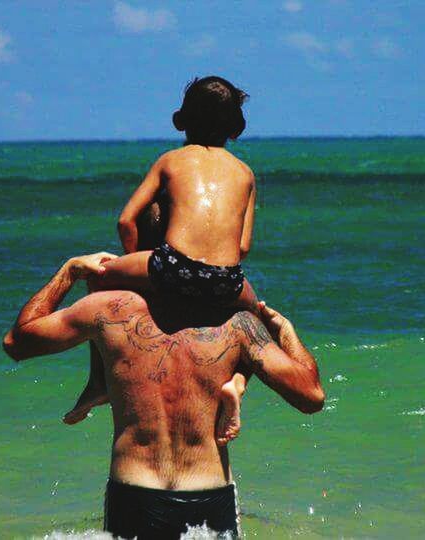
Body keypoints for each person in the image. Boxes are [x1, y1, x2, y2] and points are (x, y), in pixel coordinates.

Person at [2, 252, 325, 539]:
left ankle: (97, 384)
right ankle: (237, 384)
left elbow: (17, 342)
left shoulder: (107, 309)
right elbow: (311, 396)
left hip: (134, 493)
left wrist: (70, 271)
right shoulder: (237, 323)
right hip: (207, 492)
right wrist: (285, 330)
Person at [66, 76, 260, 443]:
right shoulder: (245, 173)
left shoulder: (170, 161)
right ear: (236, 128)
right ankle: (236, 384)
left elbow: (126, 220)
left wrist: (138, 263)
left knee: (100, 275)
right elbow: (243, 246)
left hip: (172, 265)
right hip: (226, 278)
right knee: (256, 319)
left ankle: (97, 381)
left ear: (181, 120)